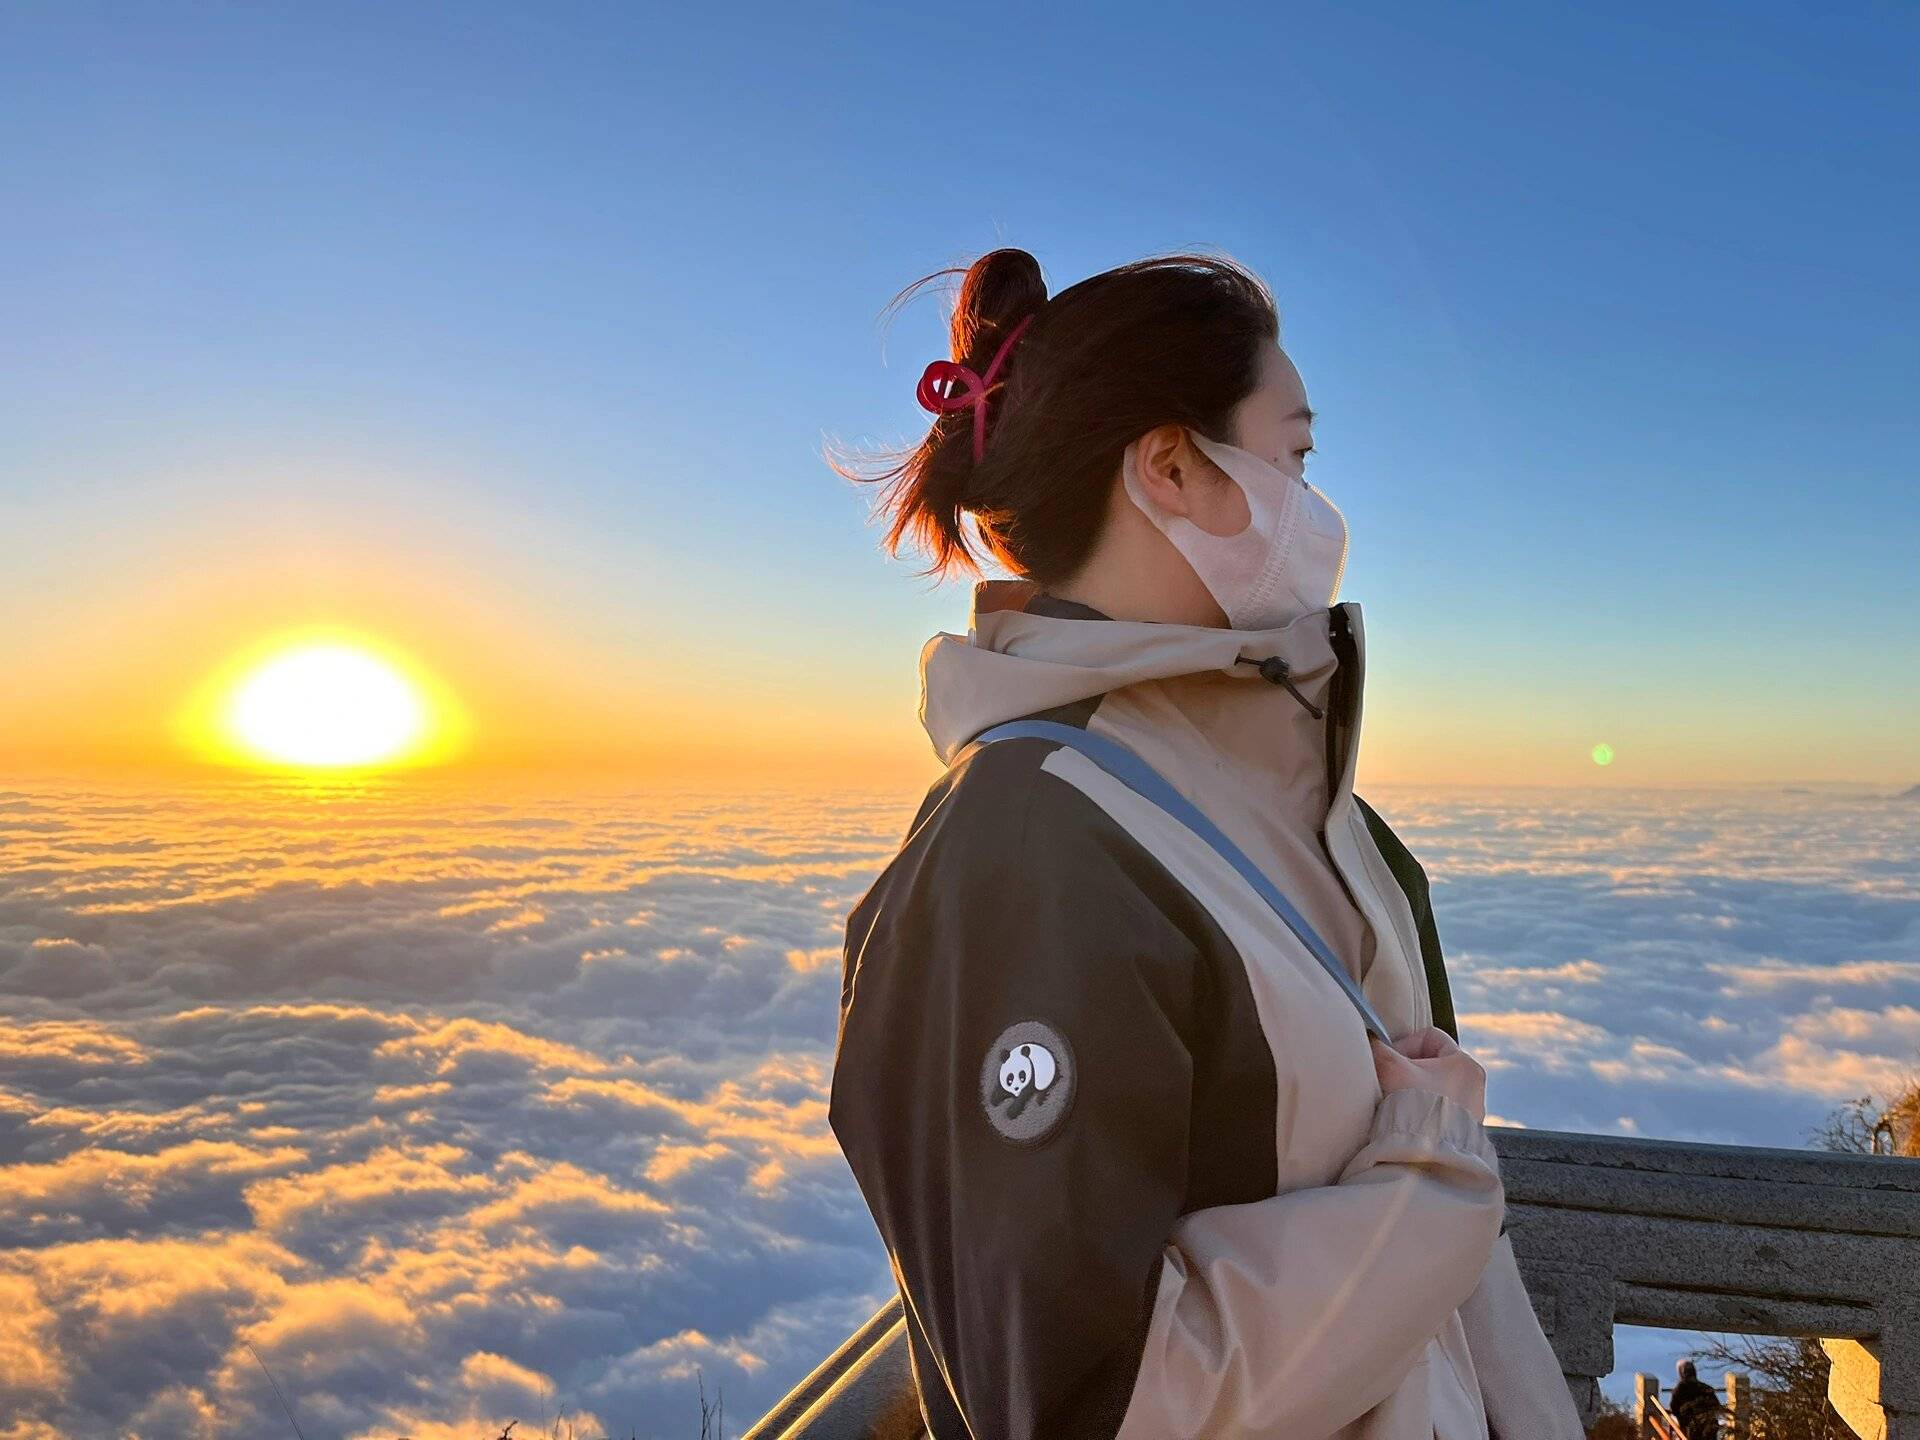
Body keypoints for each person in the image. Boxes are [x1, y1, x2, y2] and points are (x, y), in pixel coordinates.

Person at [826, 248, 1585, 1440]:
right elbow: (1092, 1408)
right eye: (1296, 455)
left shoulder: (1292, 801)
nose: (1316, 504)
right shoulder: (1027, 846)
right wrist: (1431, 1178)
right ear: (1174, 468)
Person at [1670, 1360, 1722, 1440]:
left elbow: (1674, 1408)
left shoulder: (1680, 1389)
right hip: (1710, 1426)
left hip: (1692, 1427)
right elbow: (1716, 1406)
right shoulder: (1705, 1388)